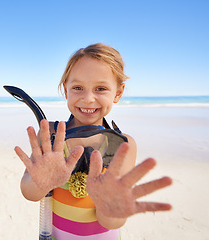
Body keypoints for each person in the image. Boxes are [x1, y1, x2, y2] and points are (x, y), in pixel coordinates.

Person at [14, 43, 172, 239]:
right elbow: (29, 192)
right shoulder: (51, 136)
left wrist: (110, 207)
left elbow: (113, 222)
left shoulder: (122, 146)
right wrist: (40, 183)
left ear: (118, 93)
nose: (88, 98)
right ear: (66, 89)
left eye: (101, 88)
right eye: (78, 87)